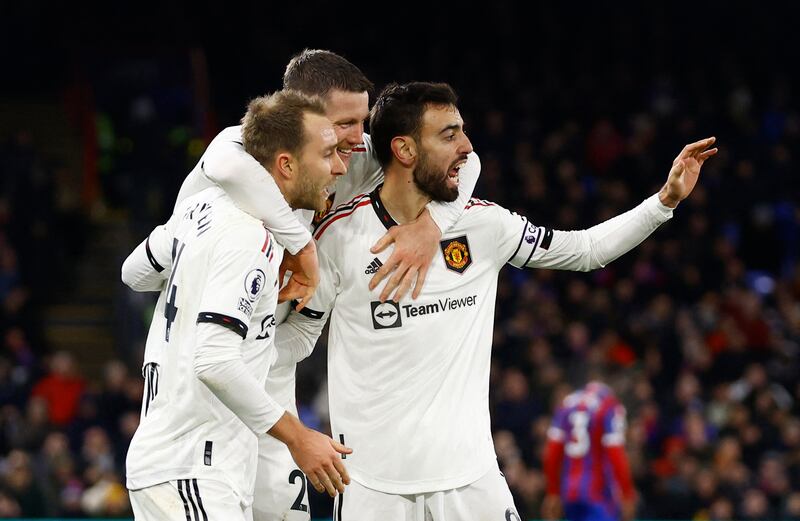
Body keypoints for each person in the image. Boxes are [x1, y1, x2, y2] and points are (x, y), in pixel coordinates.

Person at [274, 81, 717, 520]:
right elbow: (296, 341)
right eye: (449, 135)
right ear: (405, 151)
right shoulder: (339, 238)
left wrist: (665, 201)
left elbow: (585, 251)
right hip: (373, 489)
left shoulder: (486, 226)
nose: (467, 147)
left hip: (474, 481)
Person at [173, 49, 481, 521]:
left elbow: (466, 159)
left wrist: (434, 224)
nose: (361, 138)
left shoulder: (354, 156)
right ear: (301, 112)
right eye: (346, 123)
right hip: (211, 355)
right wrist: (302, 245)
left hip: (271, 360)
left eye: (364, 120)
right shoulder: (239, 151)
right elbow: (221, 162)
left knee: (285, 511)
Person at [120, 91, 351, 521]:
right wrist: (298, 437)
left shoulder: (200, 209)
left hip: (183, 465)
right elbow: (213, 361)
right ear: (285, 165)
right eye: (327, 155)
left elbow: (134, 273)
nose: (339, 167)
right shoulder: (252, 237)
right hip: (194, 468)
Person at [542, 381, 637, 521]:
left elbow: (552, 453)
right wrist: (627, 494)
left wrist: (552, 491)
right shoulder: (609, 405)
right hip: (599, 493)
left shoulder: (566, 405)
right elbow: (616, 453)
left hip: (569, 491)